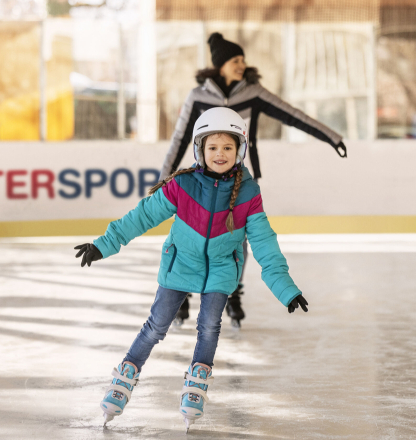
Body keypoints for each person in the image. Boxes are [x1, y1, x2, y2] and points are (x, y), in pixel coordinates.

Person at [74, 107, 309, 431]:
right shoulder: (182, 185)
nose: (220, 154)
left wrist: (286, 289)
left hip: (221, 271)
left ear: (239, 149)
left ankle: (197, 382)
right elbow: (142, 216)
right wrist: (104, 244)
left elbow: (265, 244)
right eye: (212, 147)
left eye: (228, 147)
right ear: (200, 150)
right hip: (180, 264)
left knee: (209, 326)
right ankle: (126, 374)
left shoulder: (248, 193)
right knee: (156, 326)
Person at [162, 32, 346, 328]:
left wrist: (332, 137)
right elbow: (180, 139)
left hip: (240, 182)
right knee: (191, 234)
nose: (242, 64)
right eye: (236, 60)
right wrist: (163, 181)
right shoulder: (198, 97)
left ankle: (232, 293)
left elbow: (293, 115)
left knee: (238, 237)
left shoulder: (253, 93)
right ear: (221, 65)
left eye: (243, 59)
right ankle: (182, 294)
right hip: (201, 181)